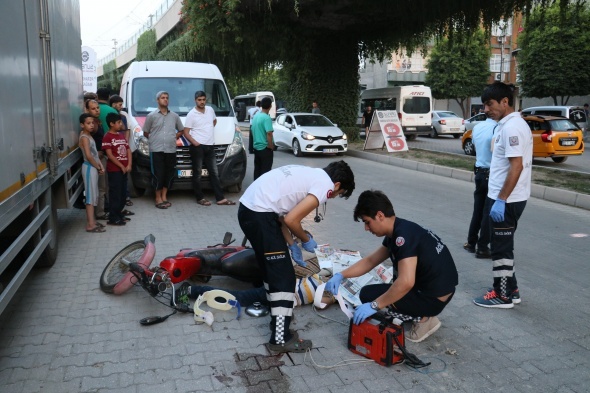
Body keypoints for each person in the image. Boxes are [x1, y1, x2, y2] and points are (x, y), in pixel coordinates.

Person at [238, 161, 355, 352]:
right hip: (259, 215)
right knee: (285, 278)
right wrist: (306, 239)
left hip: (250, 211)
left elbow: (283, 217)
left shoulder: (310, 174)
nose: (332, 197)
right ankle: (280, 338)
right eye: (338, 194)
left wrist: (292, 245)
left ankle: (278, 317)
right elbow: (293, 219)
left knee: (272, 271)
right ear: (337, 185)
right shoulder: (325, 184)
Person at [325, 190, 458, 343]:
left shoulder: (402, 237)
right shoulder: (399, 229)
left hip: (433, 299)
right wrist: (341, 275)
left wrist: (375, 305)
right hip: (437, 290)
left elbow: (406, 282)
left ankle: (425, 320)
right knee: (376, 293)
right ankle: (414, 312)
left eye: (367, 222)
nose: (366, 228)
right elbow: (370, 261)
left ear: (380, 215)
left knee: (370, 296)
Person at [473, 82, 532, 309]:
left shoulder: (512, 127)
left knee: (500, 248)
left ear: (504, 102)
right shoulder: (507, 125)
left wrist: (501, 200)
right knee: (502, 244)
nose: (486, 110)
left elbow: (516, 167)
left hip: (507, 199)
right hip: (503, 197)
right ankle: (511, 289)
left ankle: (502, 295)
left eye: (490, 104)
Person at [183, 90, 235, 206]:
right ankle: (200, 197)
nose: (202, 102)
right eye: (199, 100)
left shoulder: (210, 110)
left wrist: (208, 131)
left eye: (203, 99)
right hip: (198, 147)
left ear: (206, 99)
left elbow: (214, 121)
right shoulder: (191, 114)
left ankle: (220, 198)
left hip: (210, 146)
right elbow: (186, 132)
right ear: (195, 100)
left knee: (214, 173)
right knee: (197, 173)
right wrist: (195, 142)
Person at [143, 91, 184, 209]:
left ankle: (164, 196)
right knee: (158, 174)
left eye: (167, 98)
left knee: (169, 174)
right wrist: (155, 138)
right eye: (162, 98)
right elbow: (146, 132)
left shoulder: (174, 116)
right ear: (157, 100)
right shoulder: (151, 116)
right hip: (156, 149)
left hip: (170, 149)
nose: (165, 100)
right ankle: (157, 197)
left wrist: (174, 137)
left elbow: (181, 130)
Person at [463, 116, 497, 259]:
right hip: (492, 173)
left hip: (479, 171)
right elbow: (494, 149)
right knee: (488, 212)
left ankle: (471, 242)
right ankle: (483, 247)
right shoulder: (498, 128)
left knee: (478, 209)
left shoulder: (477, 127)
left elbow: (477, 147)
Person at [102, 113, 132, 226]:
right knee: (115, 193)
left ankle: (119, 214)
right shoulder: (107, 136)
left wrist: (129, 164)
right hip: (114, 170)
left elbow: (128, 150)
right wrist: (121, 166)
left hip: (124, 170)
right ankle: (113, 217)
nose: (121, 124)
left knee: (123, 193)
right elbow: (109, 155)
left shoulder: (121, 135)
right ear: (111, 124)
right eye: (119, 122)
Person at [78, 113, 105, 233]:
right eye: (88, 123)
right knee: (90, 196)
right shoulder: (84, 137)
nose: (91, 125)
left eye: (92, 123)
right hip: (89, 168)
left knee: (94, 195)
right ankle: (90, 224)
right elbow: (89, 156)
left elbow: (95, 154)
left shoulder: (89, 136)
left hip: (93, 167)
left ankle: (93, 221)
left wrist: (100, 166)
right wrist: (98, 167)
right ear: (82, 125)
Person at [109, 94, 134, 209]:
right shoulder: (109, 134)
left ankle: (126, 198)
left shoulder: (123, 115)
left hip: (123, 149)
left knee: (125, 178)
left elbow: (126, 129)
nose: (121, 107)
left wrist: (126, 143)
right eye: (119, 105)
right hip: (115, 153)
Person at [85, 99, 108, 221]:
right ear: (87, 110)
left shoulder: (97, 122)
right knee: (100, 187)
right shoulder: (91, 124)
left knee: (102, 187)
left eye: (97, 107)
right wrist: (95, 154)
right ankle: (99, 213)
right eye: (93, 108)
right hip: (96, 160)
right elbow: (87, 140)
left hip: (101, 157)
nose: (97, 110)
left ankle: (101, 211)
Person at [251, 97, 275, 180]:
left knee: (257, 171)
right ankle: (264, 191)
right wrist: (270, 146)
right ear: (270, 106)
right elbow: (269, 133)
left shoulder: (256, 116)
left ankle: (255, 189)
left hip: (257, 148)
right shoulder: (266, 118)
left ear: (261, 105)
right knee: (265, 173)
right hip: (265, 148)